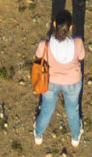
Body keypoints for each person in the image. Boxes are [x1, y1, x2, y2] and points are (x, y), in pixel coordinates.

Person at [32, 18, 85, 149]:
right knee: (72, 110)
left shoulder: (44, 45)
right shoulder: (78, 43)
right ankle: (75, 137)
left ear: (54, 24)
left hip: (51, 81)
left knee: (47, 108)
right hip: (72, 82)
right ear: (70, 27)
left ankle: (38, 134)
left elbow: (38, 56)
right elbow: (81, 57)